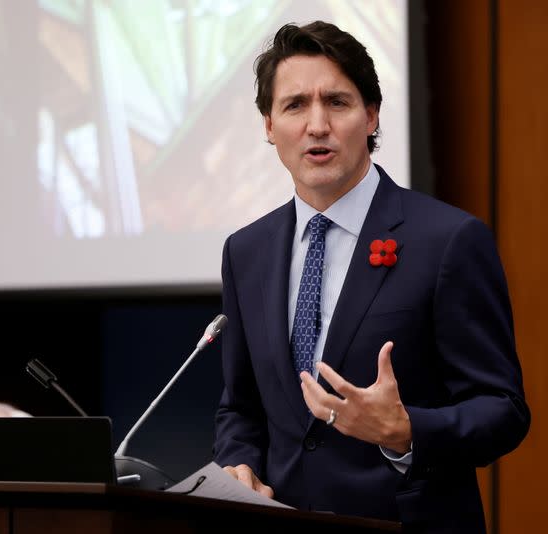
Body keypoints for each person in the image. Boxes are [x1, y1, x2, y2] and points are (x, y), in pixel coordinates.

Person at [212, 20, 530, 532]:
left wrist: (406, 430)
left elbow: (504, 411)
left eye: (337, 102)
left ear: (372, 115)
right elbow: (241, 407)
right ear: (269, 126)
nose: (317, 125)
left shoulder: (447, 240)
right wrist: (238, 464)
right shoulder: (246, 251)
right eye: (295, 105)